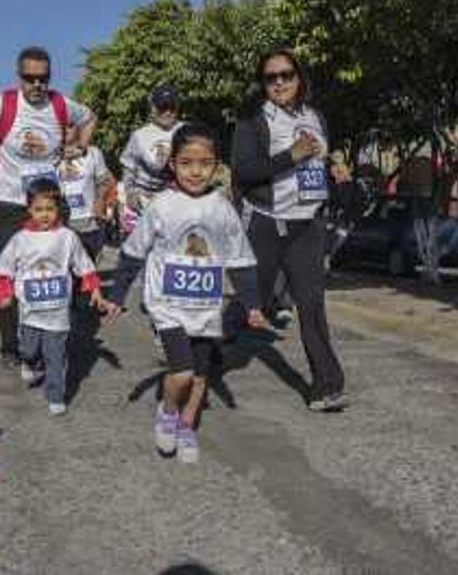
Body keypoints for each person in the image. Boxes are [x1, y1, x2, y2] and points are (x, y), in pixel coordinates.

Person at [108, 123, 266, 464]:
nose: (196, 171)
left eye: (205, 163)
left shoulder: (222, 208)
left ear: (216, 165)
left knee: (199, 375)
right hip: (167, 306)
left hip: (207, 307)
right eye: (186, 163)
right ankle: (167, 412)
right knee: (180, 372)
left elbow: (240, 258)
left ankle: (187, 425)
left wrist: (252, 303)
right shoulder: (161, 206)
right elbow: (134, 251)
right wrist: (118, 295)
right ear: (173, 165)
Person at [0, 45, 97, 368]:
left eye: (43, 78)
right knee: (8, 276)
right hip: (12, 205)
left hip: (50, 203)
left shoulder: (60, 104)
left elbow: (89, 118)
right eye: (29, 78)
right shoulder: (4, 104)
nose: (37, 85)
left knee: (57, 271)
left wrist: (80, 146)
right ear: (19, 77)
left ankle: (52, 337)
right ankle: (9, 348)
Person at [231, 48, 351, 412]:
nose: (280, 82)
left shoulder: (315, 117)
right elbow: (245, 172)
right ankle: (205, 352)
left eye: (287, 75)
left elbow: (317, 160)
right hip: (266, 222)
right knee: (253, 303)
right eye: (272, 77)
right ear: (264, 83)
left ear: (299, 78)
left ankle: (327, 385)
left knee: (311, 305)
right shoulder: (252, 121)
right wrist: (291, 155)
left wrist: (334, 171)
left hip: (306, 225)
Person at [0, 178, 112, 416]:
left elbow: (83, 265)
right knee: (29, 350)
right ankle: (28, 361)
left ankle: (56, 395)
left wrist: (95, 290)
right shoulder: (20, 239)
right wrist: (4, 296)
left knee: (56, 357)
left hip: (57, 314)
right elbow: (4, 269)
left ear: (58, 209)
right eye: (38, 209)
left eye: (50, 209)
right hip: (30, 313)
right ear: (29, 209)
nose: (44, 215)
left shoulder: (67, 237)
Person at [119, 84, 184, 228]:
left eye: (172, 107)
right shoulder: (139, 136)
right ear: (153, 108)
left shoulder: (186, 130)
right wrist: (128, 195)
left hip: (173, 198)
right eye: (162, 107)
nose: (167, 112)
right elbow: (129, 168)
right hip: (142, 198)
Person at [59, 130, 115, 262]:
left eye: (71, 126)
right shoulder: (51, 154)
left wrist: (100, 201)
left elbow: (104, 181)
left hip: (88, 220)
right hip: (61, 221)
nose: (66, 129)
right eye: (62, 124)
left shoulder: (93, 152)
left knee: (87, 264)